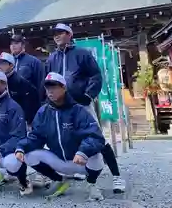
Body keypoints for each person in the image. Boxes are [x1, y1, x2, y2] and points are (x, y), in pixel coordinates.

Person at [46, 23, 126, 193]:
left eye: (61, 33)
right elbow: (48, 82)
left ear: (69, 34)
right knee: (71, 138)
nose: (57, 36)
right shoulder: (52, 58)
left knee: (98, 139)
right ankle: (81, 170)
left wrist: (88, 95)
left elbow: (96, 76)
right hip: (62, 107)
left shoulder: (82, 54)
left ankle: (117, 177)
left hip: (81, 105)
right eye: (55, 34)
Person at [15, 73, 106, 201]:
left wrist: (83, 151)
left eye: (54, 88)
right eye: (47, 88)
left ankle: (91, 184)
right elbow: (35, 136)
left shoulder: (78, 110)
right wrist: (21, 147)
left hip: (79, 161)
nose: (50, 92)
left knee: (97, 156)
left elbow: (95, 136)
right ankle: (59, 180)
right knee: (29, 155)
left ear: (64, 88)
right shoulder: (43, 112)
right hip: (58, 160)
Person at [0, 52, 41, 126]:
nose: (0, 67)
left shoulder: (20, 82)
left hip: (20, 121)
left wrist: (28, 121)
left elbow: (29, 104)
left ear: (11, 65)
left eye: (3, 63)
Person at [10, 35, 45, 99]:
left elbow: (40, 83)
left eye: (16, 43)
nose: (13, 46)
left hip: (28, 100)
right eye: (11, 44)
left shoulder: (34, 61)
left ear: (23, 45)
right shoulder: (8, 62)